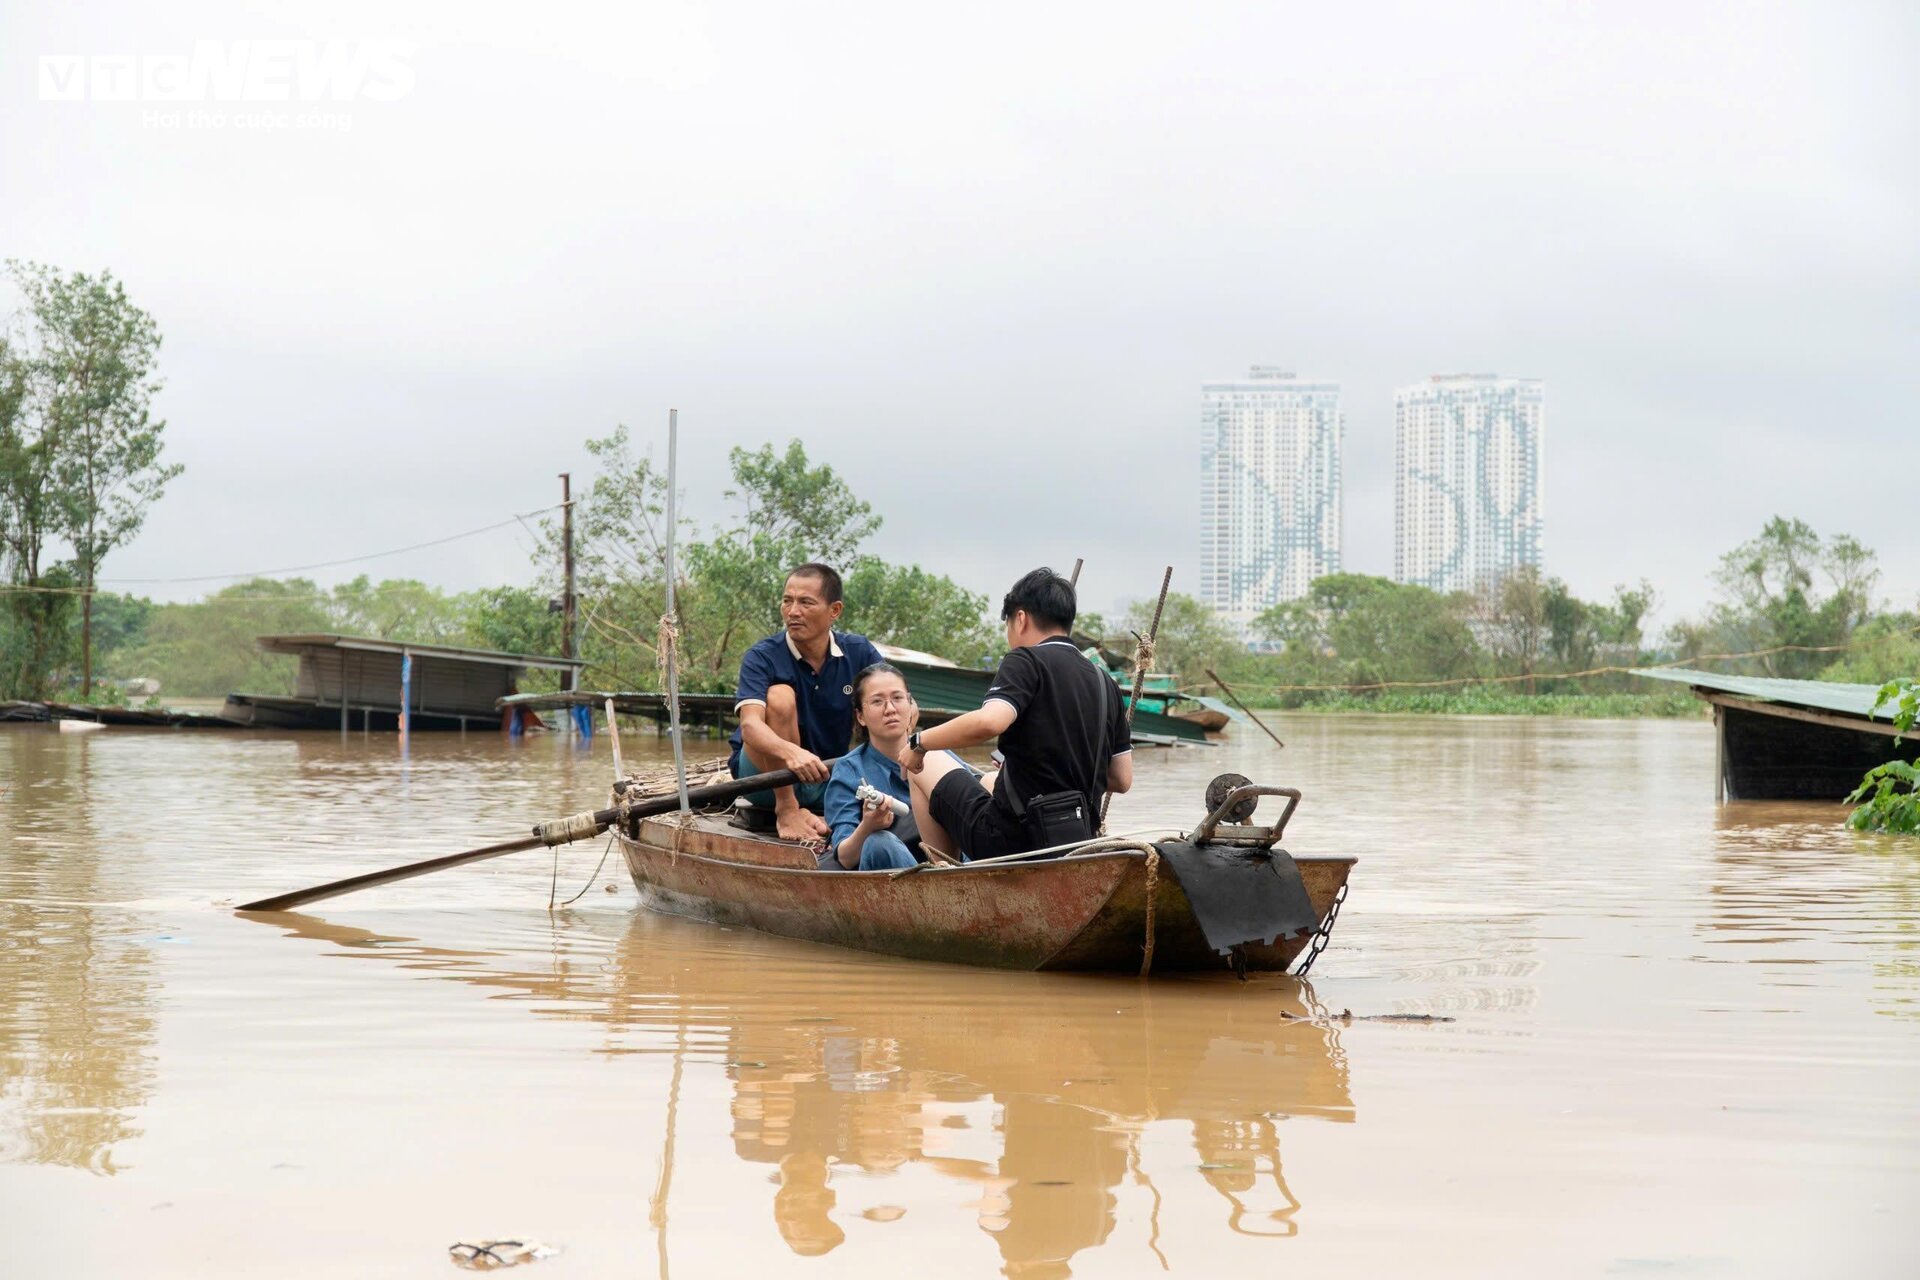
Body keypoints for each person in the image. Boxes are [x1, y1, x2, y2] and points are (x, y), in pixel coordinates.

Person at [902, 567, 1132, 860]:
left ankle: (946, 877)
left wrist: (919, 742)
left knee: (925, 761)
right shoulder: (1106, 683)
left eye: (1007, 625)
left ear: (1020, 618)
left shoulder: (1025, 660)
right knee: (987, 780)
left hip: (1011, 840)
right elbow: (1121, 778)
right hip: (1076, 843)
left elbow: (990, 721)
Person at [729, 563, 885, 843]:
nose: (793, 611)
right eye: (787, 601)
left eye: (805, 602)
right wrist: (791, 753)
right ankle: (788, 810)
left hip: (826, 775)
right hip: (764, 778)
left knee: (885, 700)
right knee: (779, 696)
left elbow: (900, 703)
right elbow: (750, 726)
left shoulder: (859, 652)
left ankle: (815, 811)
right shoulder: (763, 656)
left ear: (834, 611)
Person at [821, 663, 973, 871]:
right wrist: (868, 827)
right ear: (860, 716)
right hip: (897, 874)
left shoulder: (939, 755)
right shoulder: (849, 770)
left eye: (898, 698)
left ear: (910, 705)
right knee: (878, 843)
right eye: (877, 701)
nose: (890, 709)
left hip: (953, 868)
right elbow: (845, 858)